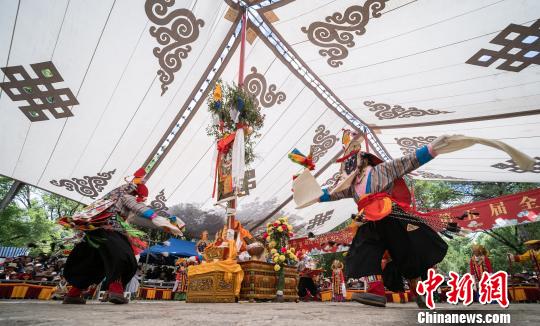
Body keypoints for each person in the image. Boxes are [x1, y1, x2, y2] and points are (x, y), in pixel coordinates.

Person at [314, 131, 461, 308]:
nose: (349, 164)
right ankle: (376, 292)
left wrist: (432, 148)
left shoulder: (382, 169)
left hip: (390, 214)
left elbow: (408, 161)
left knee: (406, 254)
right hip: (368, 219)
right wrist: (313, 195)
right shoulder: (352, 185)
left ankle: (419, 292)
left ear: (363, 158)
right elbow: (333, 193)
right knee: (363, 251)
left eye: (351, 159)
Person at [60, 168, 184, 304]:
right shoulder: (126, 196)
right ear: (135, 192)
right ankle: (116, 291)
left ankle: (73, 294)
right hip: (109, 231)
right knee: (122, 258)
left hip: (94, 233)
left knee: (92, 262)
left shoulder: (110, 197)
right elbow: (139, 208)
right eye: (141, 197)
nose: (141, 199)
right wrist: (161, 220)